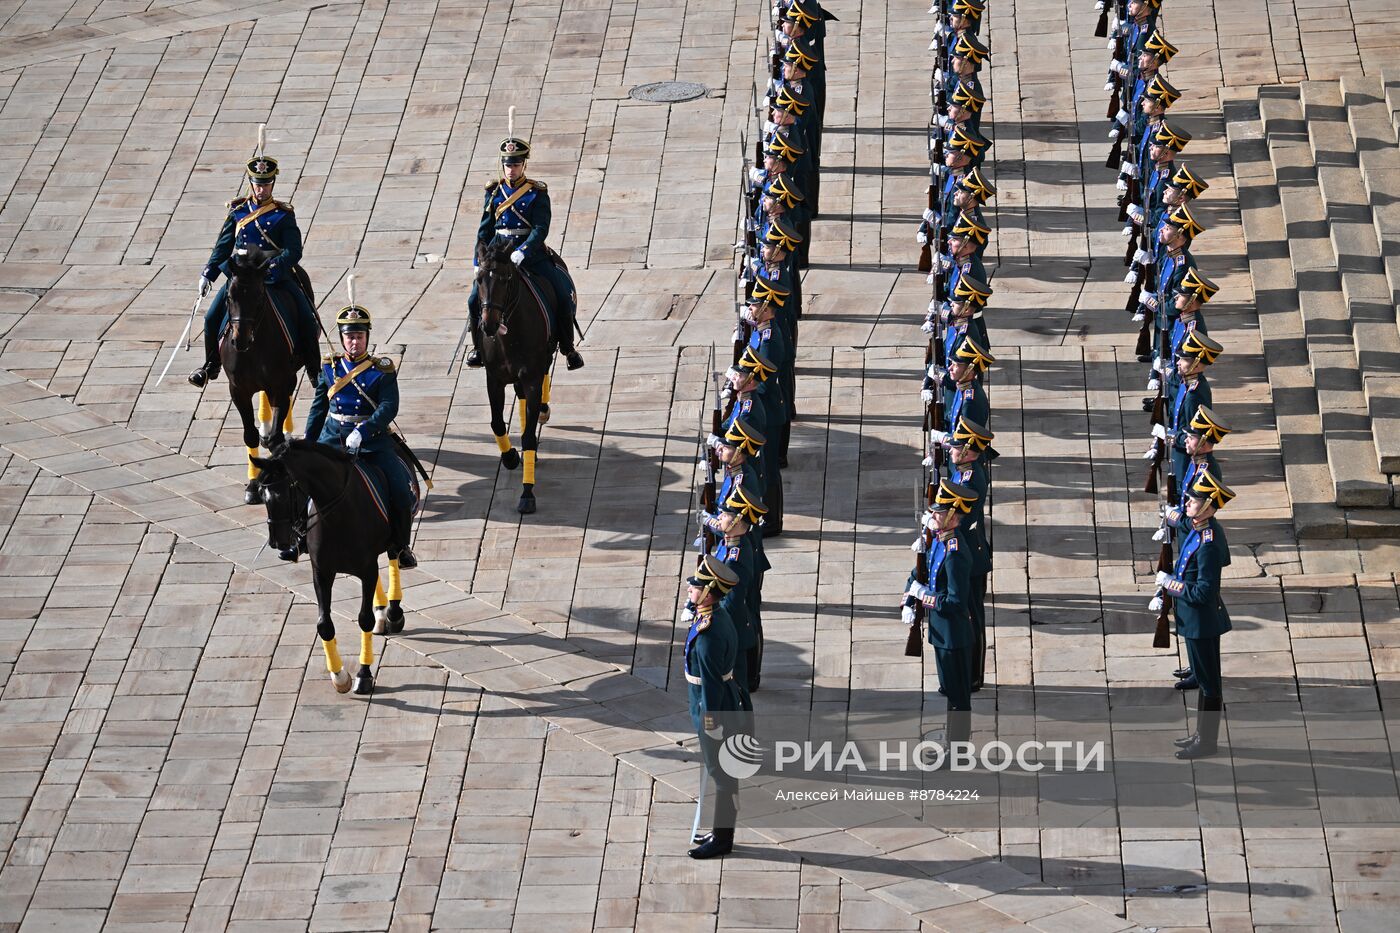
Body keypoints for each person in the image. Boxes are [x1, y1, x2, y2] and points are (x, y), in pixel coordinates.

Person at [189, 153, 323, 387]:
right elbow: (223, 247)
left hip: (274, 276)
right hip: (242, 277)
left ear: (273, 183)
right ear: (251, 183)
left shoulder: (283, 214)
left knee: (306, 317)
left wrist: (274, 266)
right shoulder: (238, 212)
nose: (262, 189)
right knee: (211, 318)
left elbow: (294, 251)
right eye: (258, 184)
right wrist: (208, 274)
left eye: (267, 184)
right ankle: (210, 365)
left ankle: (314, 368)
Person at [305, 305, 419, 570]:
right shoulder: (330, 367)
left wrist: (363, 431)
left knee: (401, 491)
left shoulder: (381, 370)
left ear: (367, 336)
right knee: (302, 481)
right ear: (342, 338)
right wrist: (309, 443)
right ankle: (300, 536)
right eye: (349, 337)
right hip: (332, 438)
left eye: (359, 336)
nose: (354, 342)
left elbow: (389, 407)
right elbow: (319, 407)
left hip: (372, 441)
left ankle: (402, 547)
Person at [467, 135, 582, 370]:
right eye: (508, 165)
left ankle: (568, 348)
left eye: (516, 165)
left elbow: (541, 228)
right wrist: (479, 260)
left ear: (524, 165)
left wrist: (523, 251)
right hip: (499, 255)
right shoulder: (494, 192)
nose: (511, 170)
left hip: (530, 255)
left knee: (561, 294)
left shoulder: (536, 192)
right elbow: (484, 230)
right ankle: (478, 348)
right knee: (473, 300)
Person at [1156, 471, 1234, 759]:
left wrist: (1172, 587)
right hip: (1192, 620)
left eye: (1192, 501)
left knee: (1209, 683)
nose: (1187, 504)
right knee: (1203, 680)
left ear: (1207, 506)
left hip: (1201, 622)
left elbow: (1203, 592)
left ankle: (1207, 741)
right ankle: (1202, 735)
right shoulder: (1199, 528)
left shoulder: (1209, 543)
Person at [904, 479, 980, 747]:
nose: (932, 515)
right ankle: (952, 741)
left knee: (958, 698)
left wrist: (922, 596)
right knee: (949, 691)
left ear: (952, 515)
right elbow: (920, 573)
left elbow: (956, 601)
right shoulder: (939, 540)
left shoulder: (955, 552)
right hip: (940, 632)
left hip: (954, 636)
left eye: (937, 512)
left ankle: (958, 748)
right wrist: (908, 596)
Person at [683, 555, 749, 859]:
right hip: (726, 699)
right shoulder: (716, 615)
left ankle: (724, 838)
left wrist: (711, 723)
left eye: (695, 587)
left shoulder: (709, 635)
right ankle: (721, 830)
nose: (689, 588)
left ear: (709, 592)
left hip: (715, 709)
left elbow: (710, 685)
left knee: (722, 776)